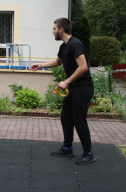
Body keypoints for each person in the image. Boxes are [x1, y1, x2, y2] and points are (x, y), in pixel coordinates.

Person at [29, 18, 96, 165]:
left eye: (54, 28)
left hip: (83, 87)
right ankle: (67, 147)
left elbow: (83, 67)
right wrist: (40, 65)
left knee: (79, 120)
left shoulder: (75, 44)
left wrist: (66, 81)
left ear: (61, 29)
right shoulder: (64, 46)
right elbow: (58, 62)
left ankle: (88, 153)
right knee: (66, 117)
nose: (52, 31)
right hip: (73, 88)